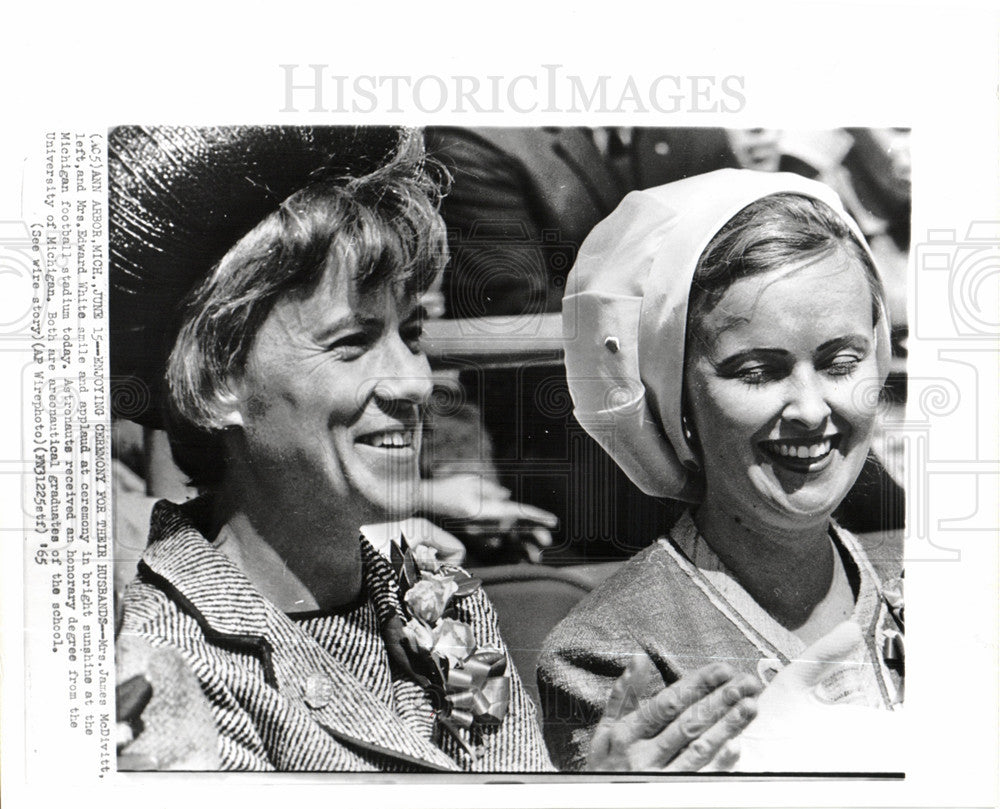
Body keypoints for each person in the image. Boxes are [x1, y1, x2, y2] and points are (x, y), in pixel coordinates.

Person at [110, 126, 761, 772]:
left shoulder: (436, 589)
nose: (414, 382)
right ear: (215, 380)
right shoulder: (162, 659)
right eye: (351, 342)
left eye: (412, 333)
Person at [539, 168, 905, 771]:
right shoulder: (615, 652)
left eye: (842, 362)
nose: (812, 410)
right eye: (757, 372)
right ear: (673, 395)